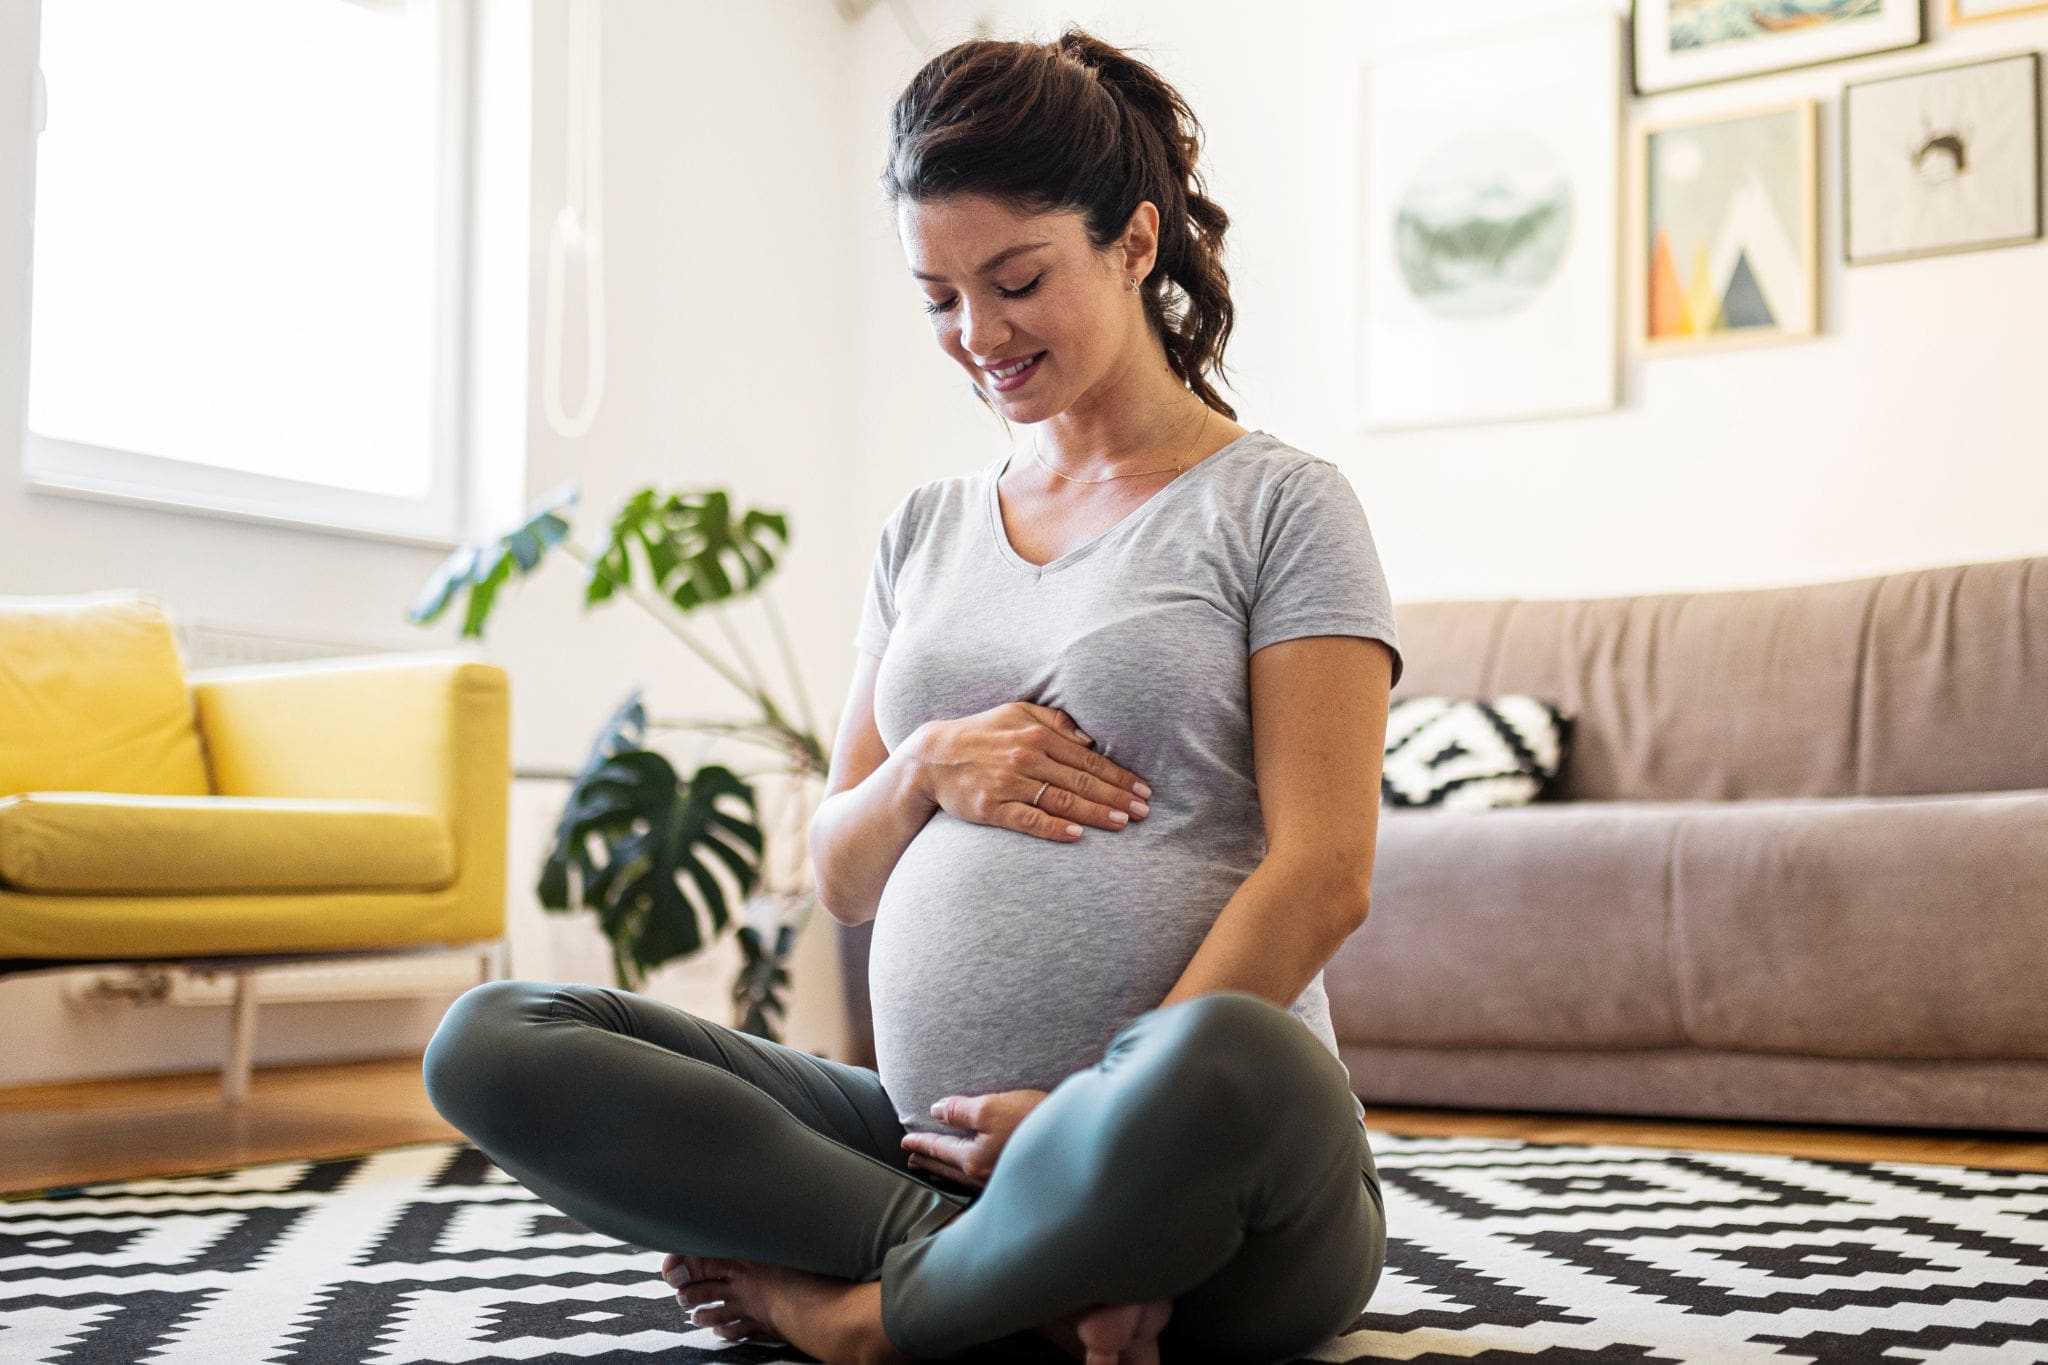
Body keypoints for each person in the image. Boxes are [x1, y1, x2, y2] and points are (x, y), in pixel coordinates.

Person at [421, 27, 1402, 1365]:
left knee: (1237, 1061)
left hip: (1214, 1174)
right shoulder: (926, 530)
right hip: (926, 1139)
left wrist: (1077, 1123)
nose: (978, 335)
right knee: (496, 1039)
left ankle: (870, 1316)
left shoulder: (1281, 506)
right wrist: (928, 762)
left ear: (1134, 243)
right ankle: (1026, 1280)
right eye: (938, 297)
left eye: (1016, 281)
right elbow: (840, 868)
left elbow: (1327, 870)